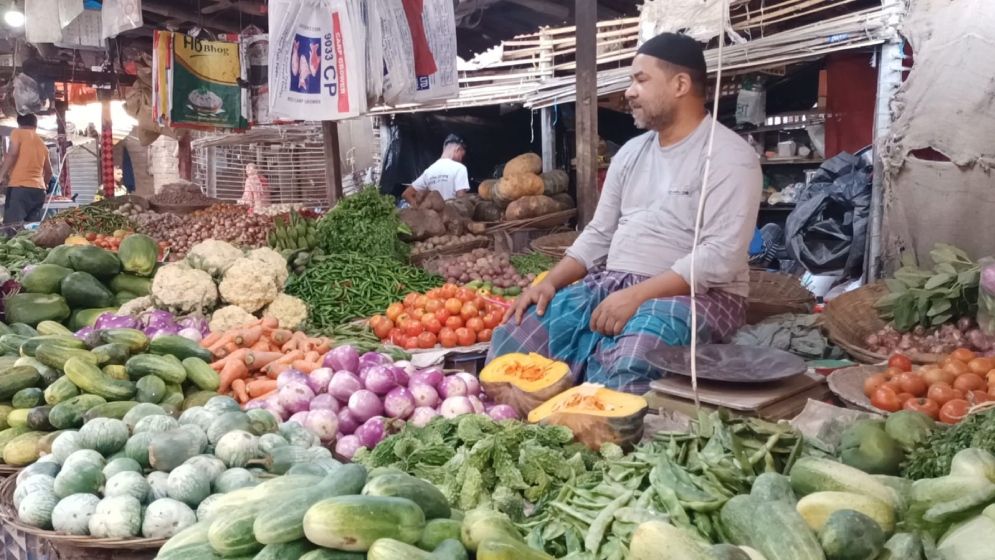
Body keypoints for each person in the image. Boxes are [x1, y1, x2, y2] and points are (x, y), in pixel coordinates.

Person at [487, 32, 762, 394]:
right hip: (613, 283)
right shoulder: (630, 154)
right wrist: (550, 283)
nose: (629, 91)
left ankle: (597, 432)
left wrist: (638, 296)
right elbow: (600, 232)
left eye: (640, 79)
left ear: (680, 84)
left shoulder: (729, 156)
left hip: (701, 297)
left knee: (633, 359)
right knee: (514, 339)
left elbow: (720, 258)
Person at [0, 113, 52, 224]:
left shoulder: (17, 133)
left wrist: (1, 175)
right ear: (35, 126)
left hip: (20, 188)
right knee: (31, 230)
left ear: (19, 124)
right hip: (39, 192)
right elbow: (49, 172)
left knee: (12, 228)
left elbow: (12, 154)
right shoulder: (42, 143)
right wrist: (44, 186)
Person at [401, 134, 469, 207]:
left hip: (433, 217)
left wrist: (419, 209)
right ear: (458, 149)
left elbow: (406, 194)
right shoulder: (460, 168)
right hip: (451, 216)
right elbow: (461, 201)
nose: (461, 159)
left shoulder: (430, 170)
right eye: (462, 155)